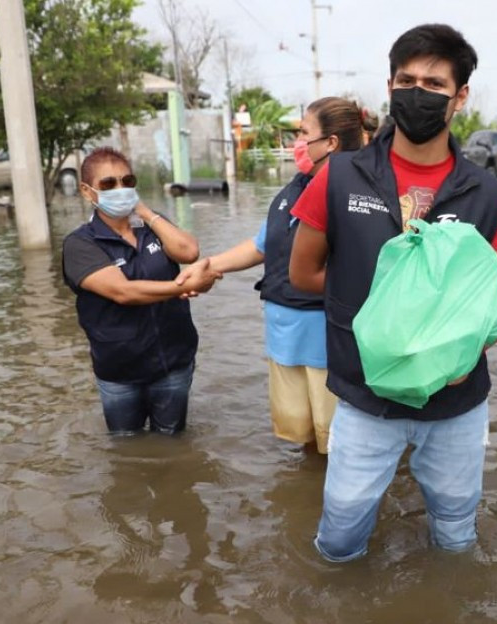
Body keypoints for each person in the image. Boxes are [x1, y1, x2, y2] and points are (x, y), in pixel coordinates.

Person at [288, 23, 497, 562]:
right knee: (340, 536)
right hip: (364, 396)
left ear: (460, 97)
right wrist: (384, 317)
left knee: (456, 535)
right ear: (390, 86)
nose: (418, 93)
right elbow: (303, 273)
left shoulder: (488, 194)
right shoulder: (340, 176)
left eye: (435, 84)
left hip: (456, 402)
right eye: (407, 80)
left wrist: (461, 353)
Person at [176, 97, 376, 455]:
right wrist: (210, 265)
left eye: (304, 133)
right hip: (285, 336)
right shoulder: (296, 187)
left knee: (341, 445)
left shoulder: (358, 195)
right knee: (303, 440)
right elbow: (263, 244)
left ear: (330, 143)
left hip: (328, 338)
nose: (297, 142)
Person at [62, 147, 221, 435]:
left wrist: (146, 213)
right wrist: (184, 286)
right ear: (87, 191)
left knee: (172, 442)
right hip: (119, 373)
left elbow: (189, 251)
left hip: (172, 362)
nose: (120, 189)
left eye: (128, 181)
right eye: (108, 184)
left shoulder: (151, 227)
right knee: (126, 447)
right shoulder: (81, 243)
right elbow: (123, 292)